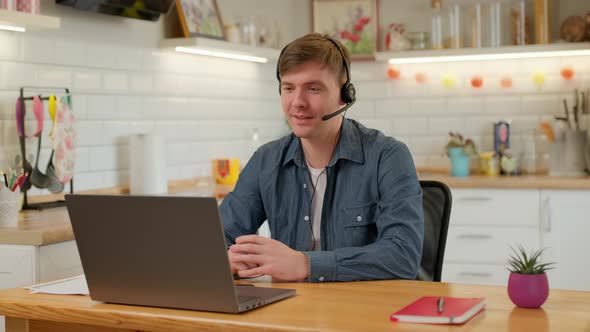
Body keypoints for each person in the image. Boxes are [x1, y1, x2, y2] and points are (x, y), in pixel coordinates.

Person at [220, 33, 423, 282]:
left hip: (364, 311)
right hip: (290, 312)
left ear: (344, 95)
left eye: (313, 88)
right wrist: (224, 259)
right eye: (288, 88)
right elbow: (220, 238)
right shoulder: (266, 160)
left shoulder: (388, 156)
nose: (297, 103)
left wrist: (306, 264)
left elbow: (403, 256)